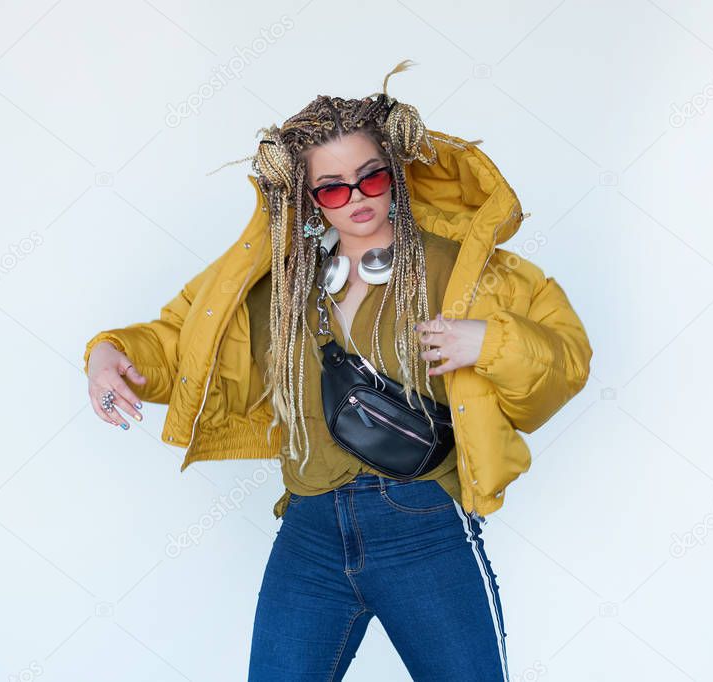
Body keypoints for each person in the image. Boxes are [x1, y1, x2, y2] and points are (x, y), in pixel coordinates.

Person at [83, 60, 592, 681]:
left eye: (371, 177)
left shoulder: (466, 273)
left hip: (423, 525)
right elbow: (187, 341)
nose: (355, 198)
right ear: (307, 196)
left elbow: (568, 358)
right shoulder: (283, 281)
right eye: (330, 188)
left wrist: (490, 341)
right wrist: (109, 352)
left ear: (396, 176)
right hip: (309, 532)